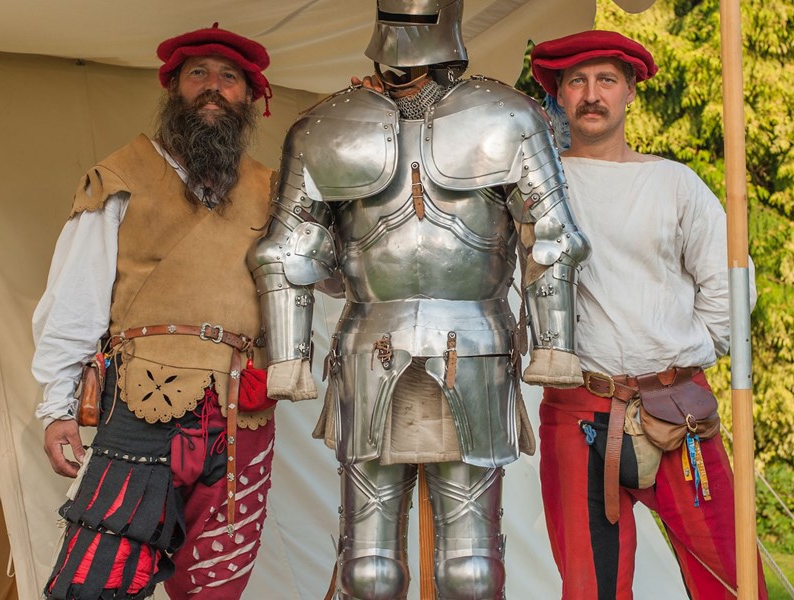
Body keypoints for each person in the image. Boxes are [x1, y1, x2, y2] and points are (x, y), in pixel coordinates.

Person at [248, 1, 590, 597]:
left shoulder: (506, 116)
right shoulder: (327, 126)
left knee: (469, 570)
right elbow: (287, 252)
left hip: (473, 347)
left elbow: (553, 238)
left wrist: (556, 346)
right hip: (373, 349)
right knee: (367, 569)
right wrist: (287, 354)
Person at [32, 23, 277, 600]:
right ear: (173, 89)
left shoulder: (275, 189)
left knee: (215, 588)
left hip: (243, 417)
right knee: (95, 583)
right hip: (142, 404)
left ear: (249, 98)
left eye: (229, 77)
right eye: (198, 74)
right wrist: (56, 406)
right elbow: (74, 300)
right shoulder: (123, 175)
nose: (213, 87)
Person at [530, 30, 768, 599]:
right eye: (577, 82)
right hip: (577, 410)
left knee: (731, 580)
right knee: (592, 590)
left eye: (606, 80)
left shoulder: (674, 184)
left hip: (678, 408)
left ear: (631, 91)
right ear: (559, 95)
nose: (592, 94)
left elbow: (730, 286)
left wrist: (684, 359)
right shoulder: (536, 190)